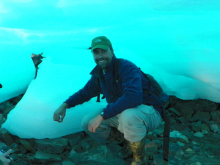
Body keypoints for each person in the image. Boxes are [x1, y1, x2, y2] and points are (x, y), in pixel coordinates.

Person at [53, 36, 163, 165]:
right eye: (96, 52)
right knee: (87, 122)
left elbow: (133, 97)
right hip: (124, 113)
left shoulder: (126, 68)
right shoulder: (99, 74)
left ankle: (140, 158)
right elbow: (85, 93)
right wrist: (65, 105)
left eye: (104, 51)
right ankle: (128, 142)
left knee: (129, 115)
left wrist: (102, 116)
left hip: (149, 112)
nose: (100, 56)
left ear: (111, 51)